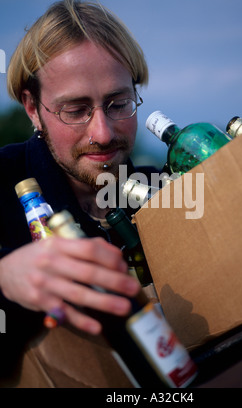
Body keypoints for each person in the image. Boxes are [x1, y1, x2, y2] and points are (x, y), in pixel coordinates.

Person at [0, 0, 159, 387]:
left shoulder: (164, 191)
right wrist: (5, 280)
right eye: (76, 109)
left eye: (118, 103)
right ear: (33, 108)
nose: (103, 132)